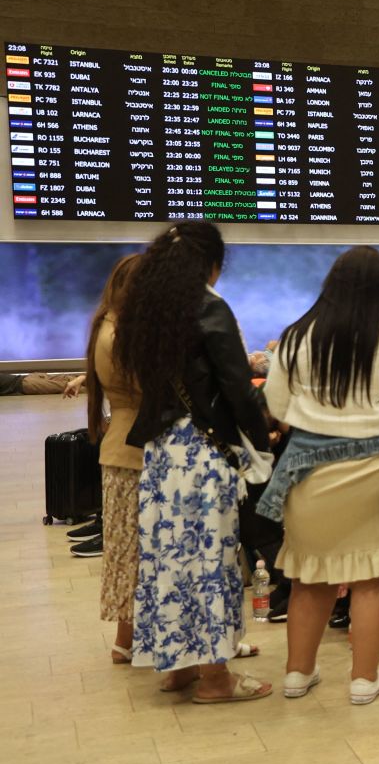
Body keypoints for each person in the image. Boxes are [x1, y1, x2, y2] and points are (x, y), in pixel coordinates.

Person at [259, 246, 379, 705]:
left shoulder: (297, 339)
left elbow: (277, 407)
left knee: (309, 577)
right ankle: (364, 680)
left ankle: (297, 675)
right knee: (372, 577)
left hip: (310, 475)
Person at [117, 222, 272, 702]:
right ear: (211, 263)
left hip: (163, 455)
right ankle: (217, 678)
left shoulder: (148, 313)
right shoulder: (209, 308)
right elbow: (236, 388)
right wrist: (262, 437)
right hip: (205, 455)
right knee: (211, 561)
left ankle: (177, 668)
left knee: (169, 561)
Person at [81, 254, 142, 655]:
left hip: (119, 446)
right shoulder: (122, 336)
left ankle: (126, 639)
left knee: (124, 549)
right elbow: (149, 389)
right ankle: (127, 638)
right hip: (134, 450)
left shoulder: (105, 326)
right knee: (134, 550)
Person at [0, 371, 83, 396]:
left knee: (66, 384)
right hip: (27, 379)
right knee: (65, 381)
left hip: (27, 383)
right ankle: (90, 382)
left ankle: (89, 382)